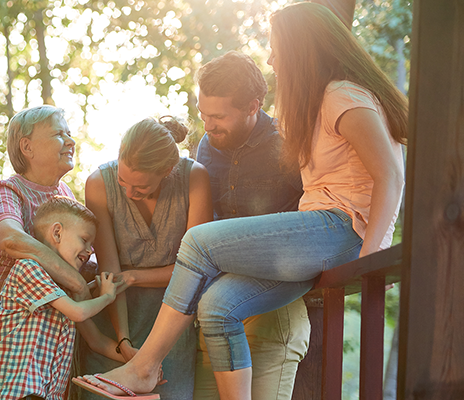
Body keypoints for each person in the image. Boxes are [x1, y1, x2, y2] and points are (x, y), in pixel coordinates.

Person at [75, 2, 407, 399]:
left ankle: (144, 366)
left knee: (198, 242)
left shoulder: (342, 95)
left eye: (276, 47)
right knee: (216, 307)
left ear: (303, 48)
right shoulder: (317, 102)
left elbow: (391, 173)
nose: (270, 57)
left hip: (340, 227)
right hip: (315, 236)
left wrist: (371, 261)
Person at [0, 105, 96, 400]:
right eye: (59, 134)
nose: (71, 141)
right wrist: (74, 282)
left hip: (49, 317)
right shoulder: (7, 189)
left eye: (69, 134)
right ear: (27, 147)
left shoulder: (66, 195)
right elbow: (11, 239)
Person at [193, 51, 309, 399]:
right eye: (202, 114)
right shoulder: (207, 146)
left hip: (272, 312)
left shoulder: (289, 145)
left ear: (253, 106)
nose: (207, 125)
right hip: (215, 313)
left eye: (217, 116)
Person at [80, 116, 212, 400]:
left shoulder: (194, 178)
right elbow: (110, 270)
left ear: (167, 171)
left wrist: (135, 276)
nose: (129, 193)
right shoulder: (98, 184)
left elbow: (197, 269)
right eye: (123, 181)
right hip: (116, 315)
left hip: (171, 319)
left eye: (140, 188)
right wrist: (123, 341)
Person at [0, 196, 124, 400]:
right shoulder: (29, 269)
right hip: (17, 391)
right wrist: (108, 296)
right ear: (57, 232)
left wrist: (140, 360)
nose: (90, 250)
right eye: (84, 240)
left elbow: (97, 342)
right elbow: (78, 311)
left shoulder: (64, 289)